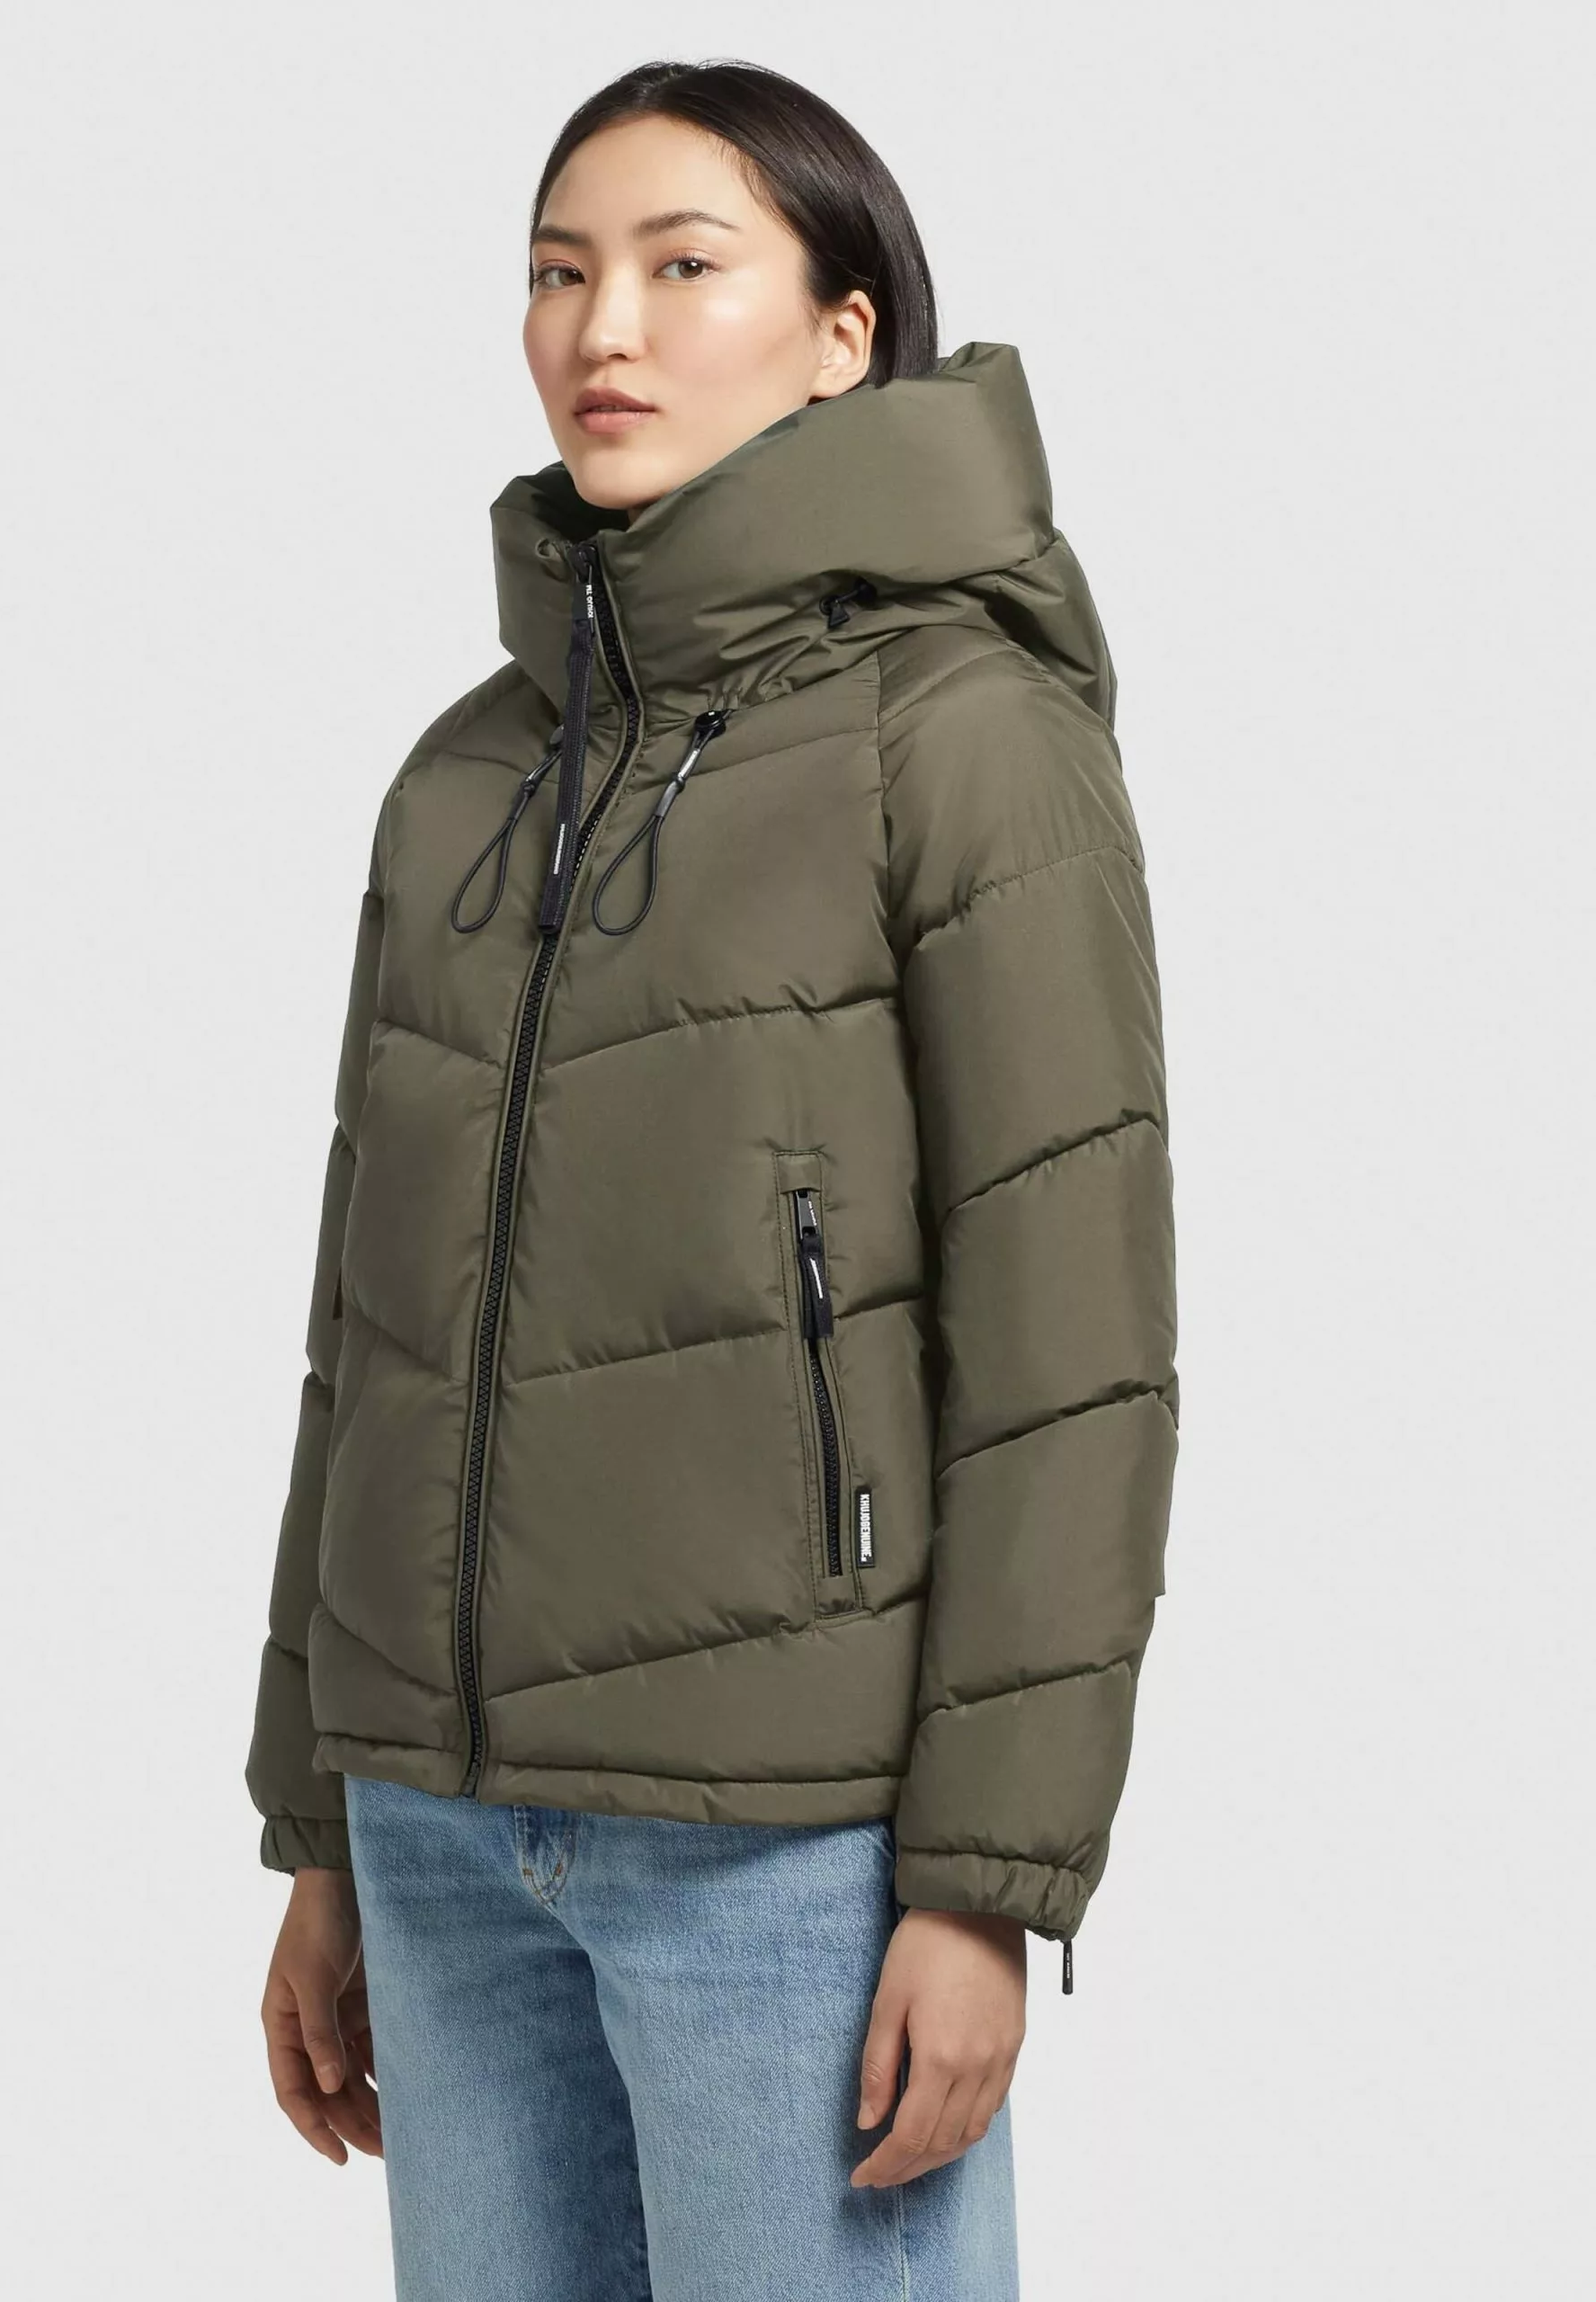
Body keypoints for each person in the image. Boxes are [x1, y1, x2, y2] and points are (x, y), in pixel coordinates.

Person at [245, 56, 1178, 2302]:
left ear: (844, 332)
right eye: (560, 272)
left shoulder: (964, 739)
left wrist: (986, 1881)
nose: (606, 330)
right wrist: (323, 1811)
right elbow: (367, 1337)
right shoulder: (463, 783)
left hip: (791, 1852)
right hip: (443, 1838)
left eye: (684, 266)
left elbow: (1074, 1360)